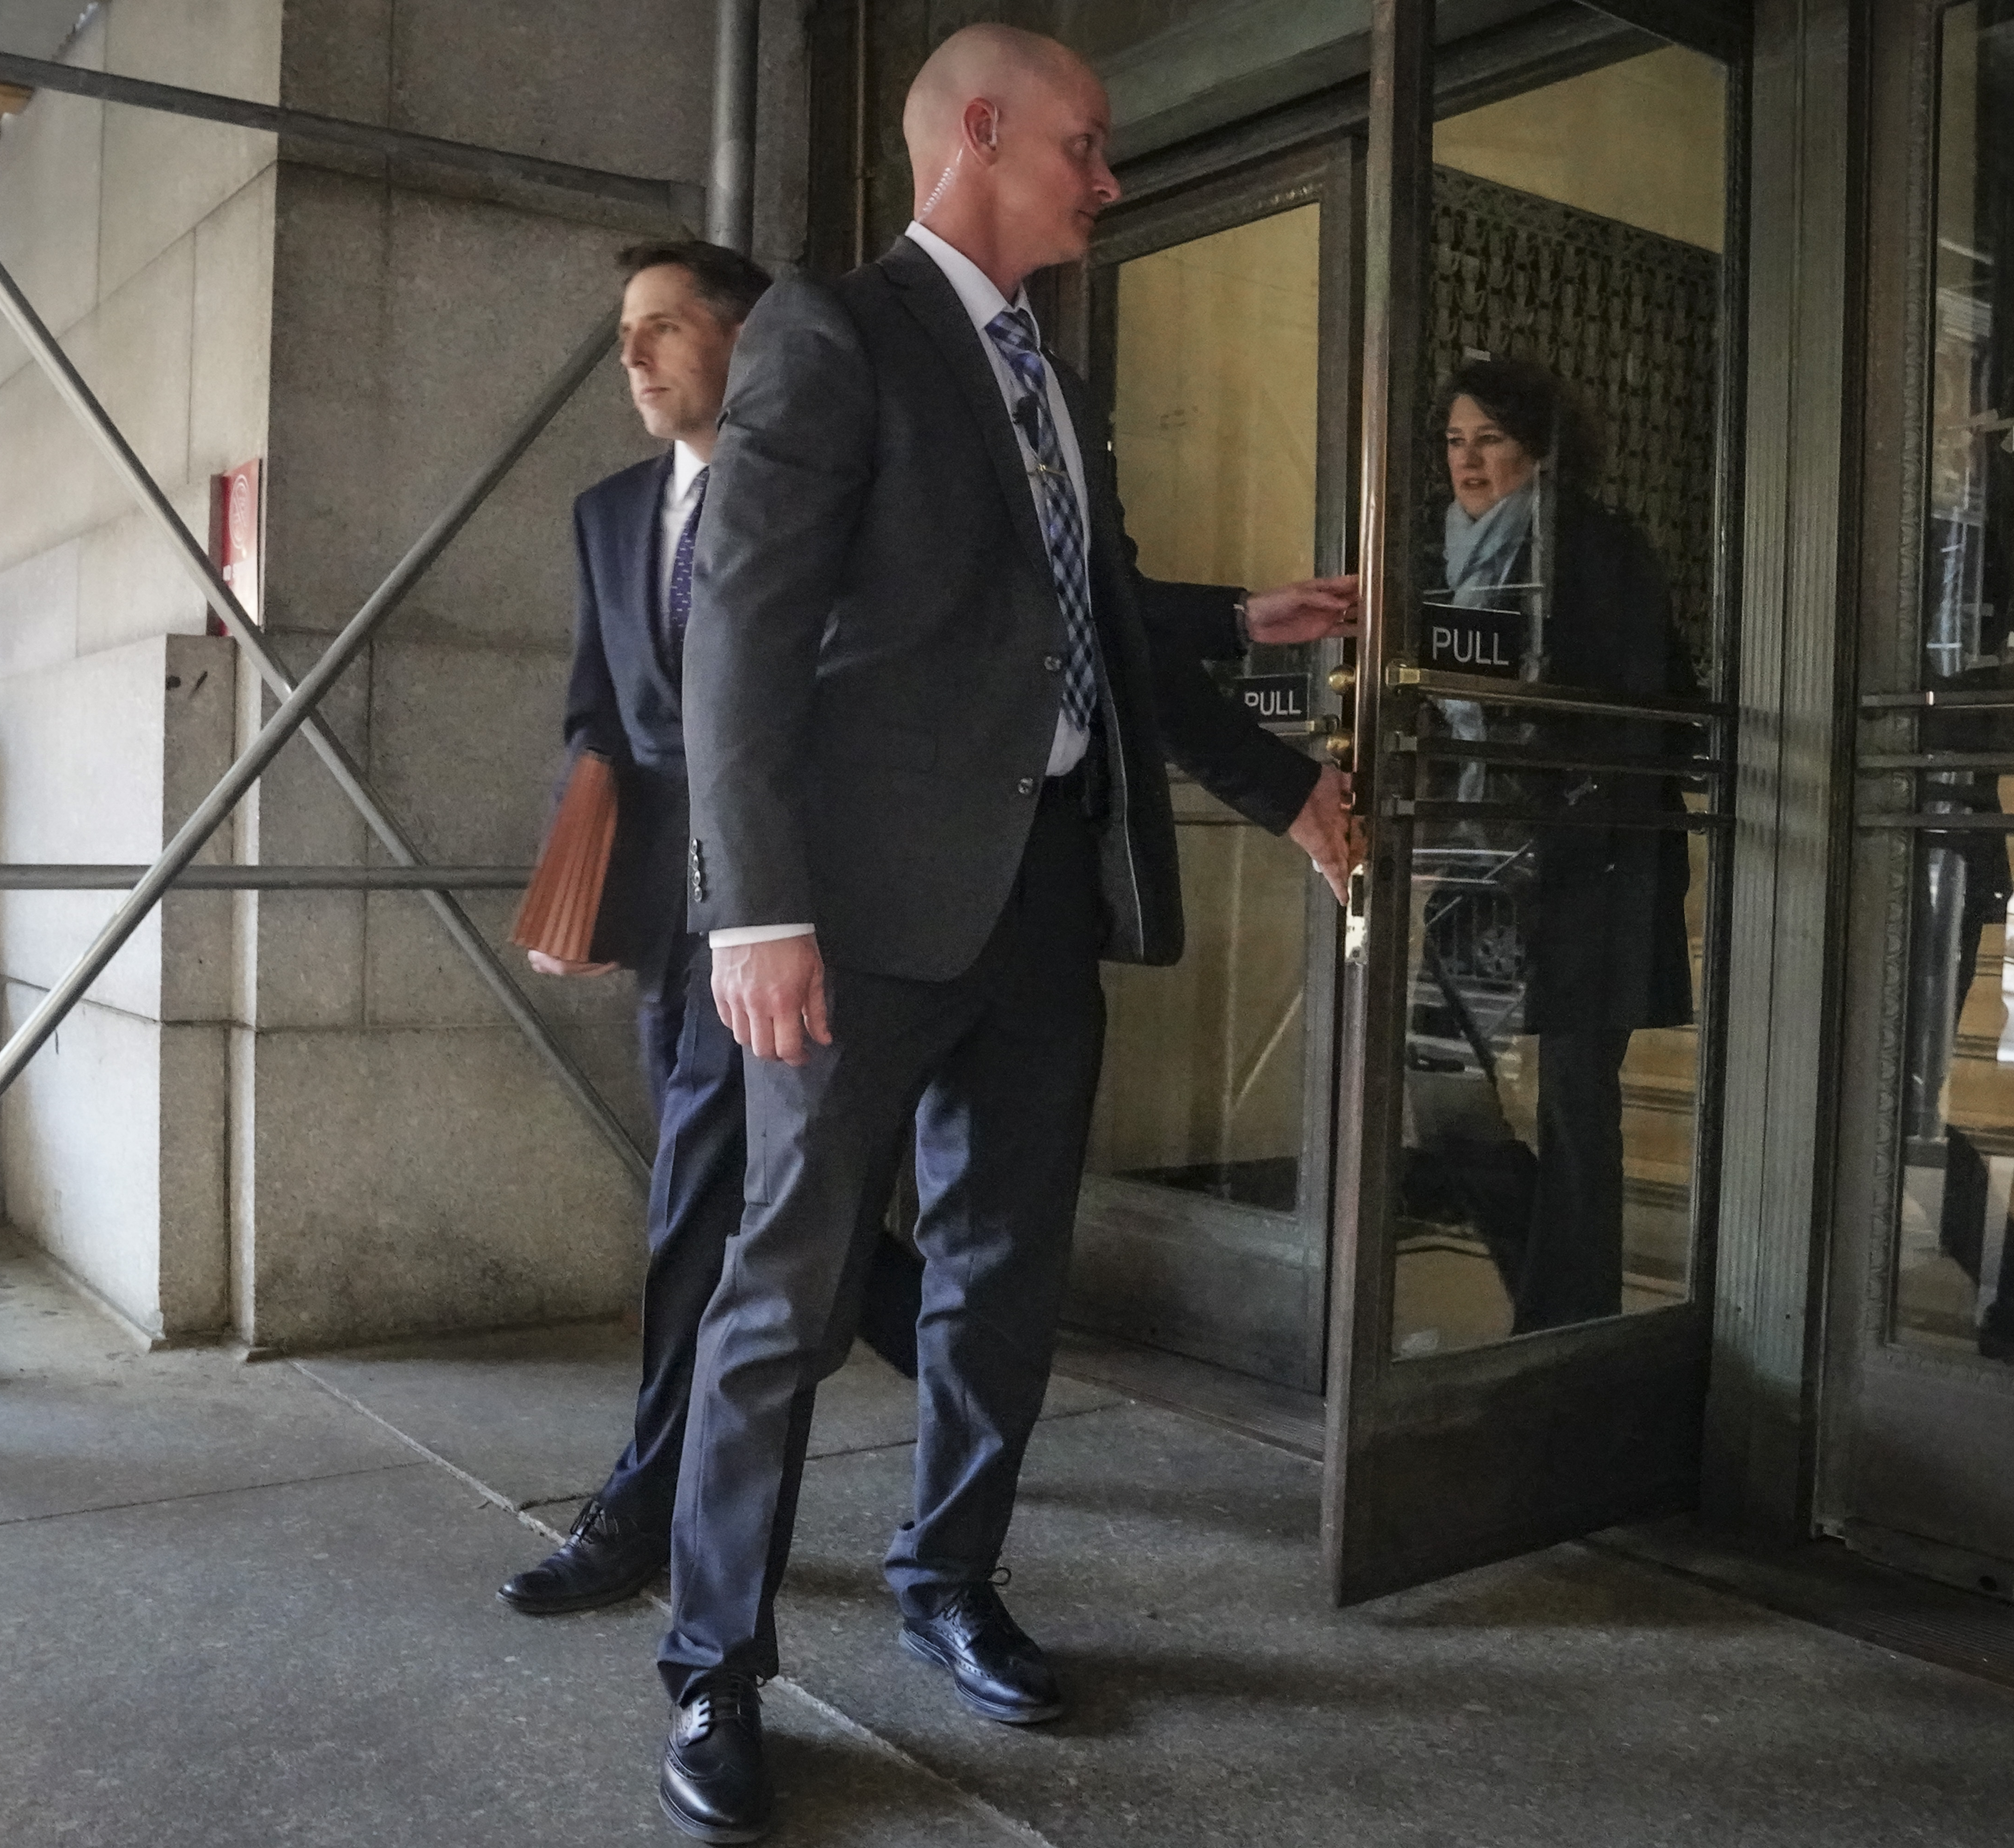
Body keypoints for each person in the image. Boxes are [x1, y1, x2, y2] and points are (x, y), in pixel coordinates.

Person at [656, 24, 1362, 1841]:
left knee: (1005, 1269)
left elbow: (1093, 628)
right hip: (856, 914)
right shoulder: (834, 333)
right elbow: (736, 637)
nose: (1107, 181)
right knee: (790, 1284)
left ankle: (947, 1577)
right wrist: (762, 907)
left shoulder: (1051, 378)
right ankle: (715, 1662)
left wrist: (1279, 771)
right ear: (979, 132)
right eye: (1087, 147)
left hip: (1041, 894)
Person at [496, 241, 927, 1620]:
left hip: (805, 912)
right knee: (780, 1214)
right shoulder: (609, 511)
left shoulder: (833, 491)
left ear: (751, 342)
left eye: (666, 327)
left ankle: (642, 1512)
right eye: (627, 332)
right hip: (680, 938)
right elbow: (598, 715)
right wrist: (584, 876)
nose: (634, 357)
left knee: (707, 1215)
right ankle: (965, 1356)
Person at [1408, 359, 1693, 1334]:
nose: (1469, 460)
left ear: (1537, 444)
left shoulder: (1598, 547)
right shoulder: (1450, 554)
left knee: (1578, 1102)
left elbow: (1654, 709)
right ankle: (1556, 1279)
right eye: (1454, 439)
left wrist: (1562, 802)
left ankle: (1565, 1321)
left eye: (1489, 438)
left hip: (1587, 862)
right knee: (1434, 1078)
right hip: (1489, 858)